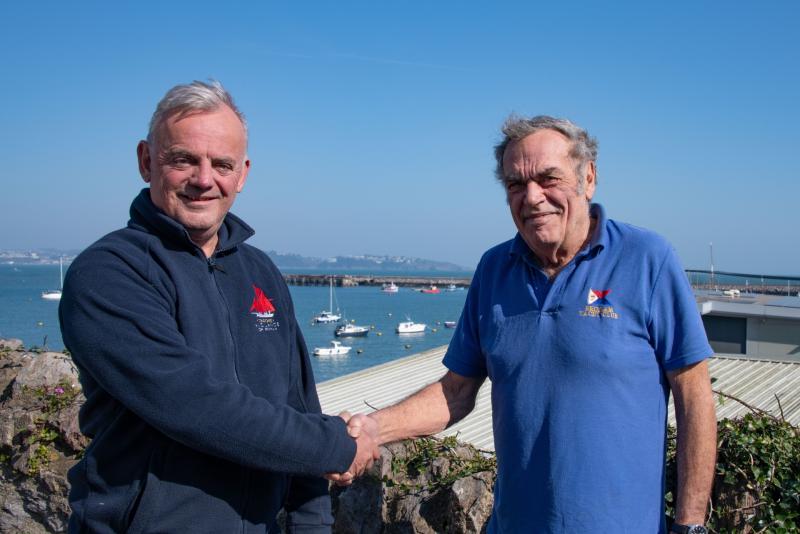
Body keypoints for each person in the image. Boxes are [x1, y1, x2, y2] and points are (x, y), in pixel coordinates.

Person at [345, 115, 717, 533]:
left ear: (588, 178)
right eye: (516, 185)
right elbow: (455, 391)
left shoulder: (647, 259)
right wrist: (374, 428)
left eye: (548, 178)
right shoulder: (493, 270)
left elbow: (695, 398)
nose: (533, 197)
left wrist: (690, 524)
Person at [59, 80, 378, 533]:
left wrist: (312, 525)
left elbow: (300, 405)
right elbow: (197, 406)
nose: (204, 180)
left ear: (242, 174)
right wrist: (339, 445)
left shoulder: (261, 272)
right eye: (184, 159)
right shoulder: (109, 273)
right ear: (147, 161)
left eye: (221, 164)